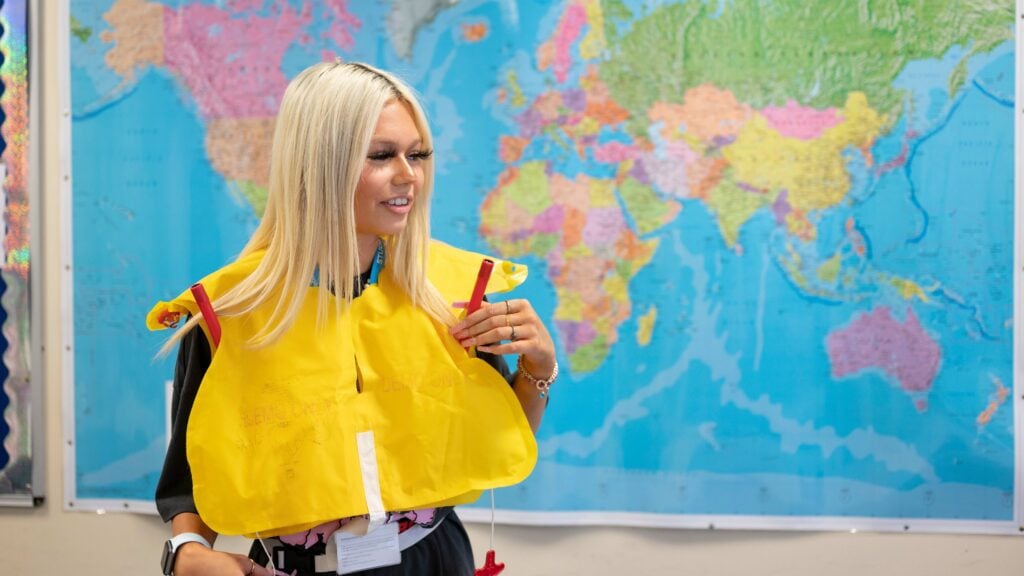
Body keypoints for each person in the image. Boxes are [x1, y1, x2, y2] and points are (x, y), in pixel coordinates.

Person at [147, 61, 558, 576]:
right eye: (382, 155)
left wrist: (539, 366)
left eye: (418, 154)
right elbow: (190, 474)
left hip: (434, 559)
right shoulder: (231, 309)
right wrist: (185, 553)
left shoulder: (448, 291)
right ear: (320, 164)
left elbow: (498, 434)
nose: (409, 175)